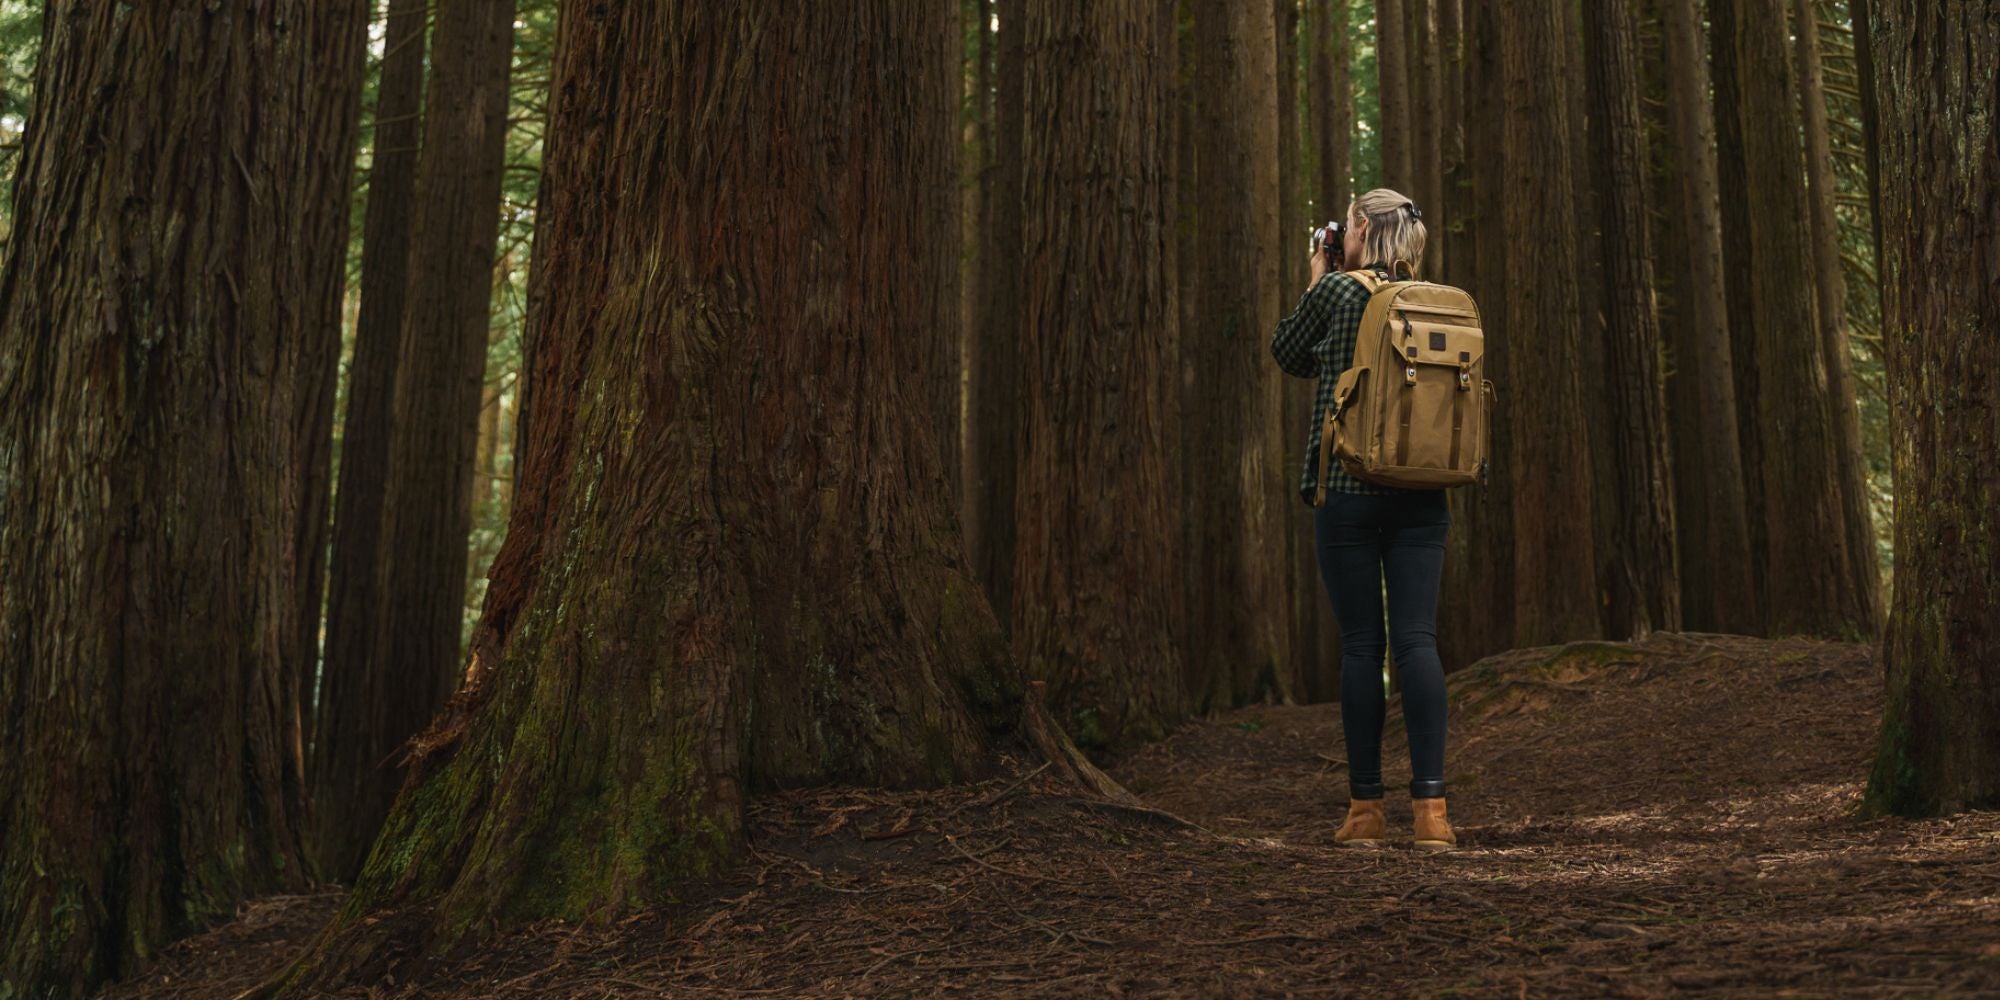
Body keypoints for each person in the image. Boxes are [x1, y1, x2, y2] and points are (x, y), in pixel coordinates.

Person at [1269, 187, 1456, 852]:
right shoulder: (1431, 299)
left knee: (1361, 648)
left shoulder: (1340, 293)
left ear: (1361, 234)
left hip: (1348, 487)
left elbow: (1285, 352)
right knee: (1418, 643)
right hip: (1424, 493)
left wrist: (1318, 275)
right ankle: (1432, 815)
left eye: (1348, 227)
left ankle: (1366, 813)